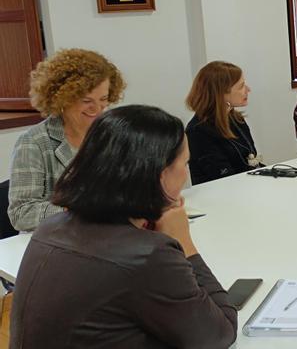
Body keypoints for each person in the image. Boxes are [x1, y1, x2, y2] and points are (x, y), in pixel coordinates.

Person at [9, 105, 237, 348]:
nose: (185, 176)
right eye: (185, 164)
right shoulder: (148, 254)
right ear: (161, 175)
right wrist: (185, 243)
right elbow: (219, 333)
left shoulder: (50, 228)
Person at [8, 48, 126, 232]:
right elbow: (21, 214)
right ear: (63, 98)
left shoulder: (110, 134)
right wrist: (76, 208)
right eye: (87, 101)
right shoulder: (34, 143)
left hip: (105, 234)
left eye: (103, 99)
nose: (97, 109)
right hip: (57, 241)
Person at [185, 61, 262, 185]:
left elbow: (250, 159)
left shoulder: (236, 119)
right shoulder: (198, 131)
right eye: (241, 86)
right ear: (221, 93)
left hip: (244, 189)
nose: (248, 90)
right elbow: (223, 177)